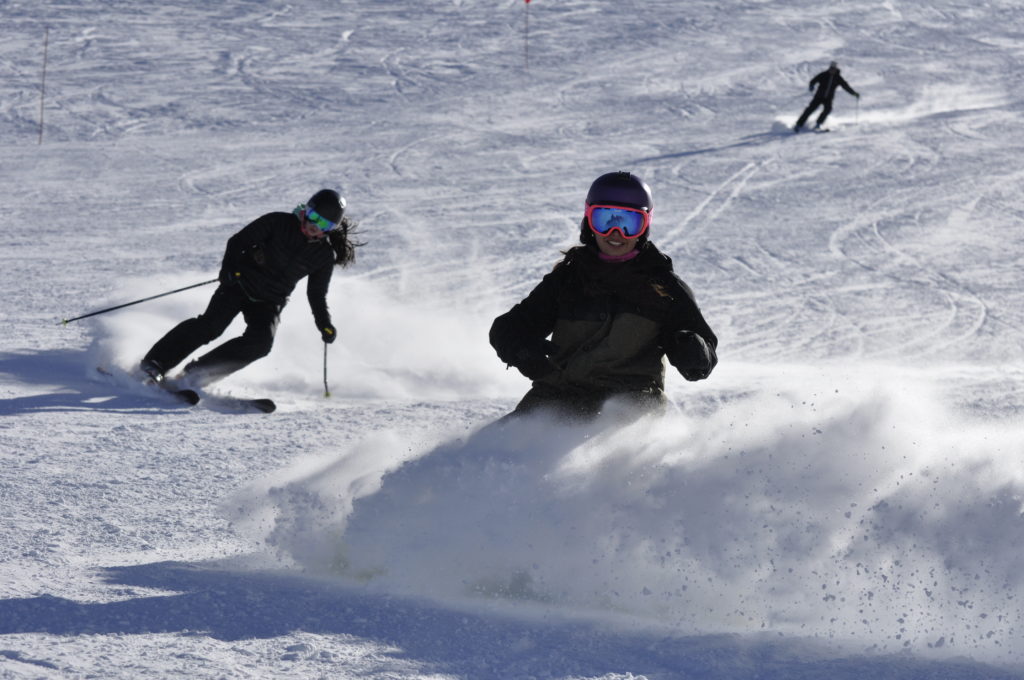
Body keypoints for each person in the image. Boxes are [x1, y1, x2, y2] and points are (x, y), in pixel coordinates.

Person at [489, 171, 718, 420]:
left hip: (631, 404)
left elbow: (703, 354)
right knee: (490, 450)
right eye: (605, 219)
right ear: (589, 220)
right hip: (558, 396)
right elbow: (508, 327)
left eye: (629, 223)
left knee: (593, 451)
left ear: (645, 226)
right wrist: (523, 352)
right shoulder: (568, 279)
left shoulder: (663, 288)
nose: (616, 232)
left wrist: (693, 352)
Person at [140, 188, 359, 386]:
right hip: (239, 283)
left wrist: (324, 324)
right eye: (314, 217)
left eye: (324, 225)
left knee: (261, 343)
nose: (315, 227)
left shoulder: (322, 256)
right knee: (212, 326)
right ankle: (156, 362)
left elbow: (316, 294)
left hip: (270, 301)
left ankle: (199, 373)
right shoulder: (278, 222)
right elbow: (238, 242)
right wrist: (228, 271)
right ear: (306, 211)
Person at [794, 61, 859, 132]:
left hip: (828, 98)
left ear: (836, 69)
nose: (832, 70)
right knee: (809, 110)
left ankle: (818, 124)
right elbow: (813, 80)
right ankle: (798, 124)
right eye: (831, 68)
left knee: (828, 109)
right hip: (818, 96)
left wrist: (853, 93)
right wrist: (811, 85)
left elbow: (845, 86)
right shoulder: (824, 74)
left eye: (833, 69)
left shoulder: (838, 78)